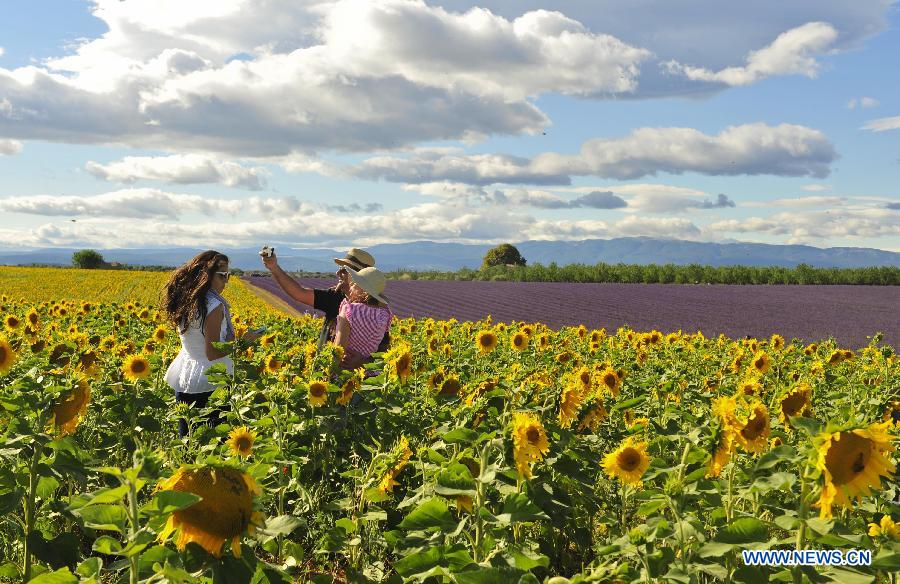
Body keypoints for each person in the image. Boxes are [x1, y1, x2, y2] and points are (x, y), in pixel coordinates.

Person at [163, 250, 259, 437]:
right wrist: (243, 342)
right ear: (206, 275)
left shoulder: (188, 301)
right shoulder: (214, 305)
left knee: (189, 441)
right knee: (216, 442)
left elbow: (201, 340)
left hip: (187, 376)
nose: (226, 281)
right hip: (211, 380)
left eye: (228, 276)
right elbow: (212, 352)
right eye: (222, 275)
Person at [261, 248, 390, 352]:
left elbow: (382, 350)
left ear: (357, 277)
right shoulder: (335, 296)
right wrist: (274, 268)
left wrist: (360, 362)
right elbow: (299, 293)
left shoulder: (376, 311)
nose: (338, 273)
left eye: (344, 270)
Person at [334, 267, 393, 370]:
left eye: (354, 284)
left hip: (346, 368)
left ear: (363, 290)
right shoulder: (385, 314)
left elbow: (339, 347)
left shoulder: (350, 310)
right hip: (369, 370)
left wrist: (330, 370)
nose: (350, 287)